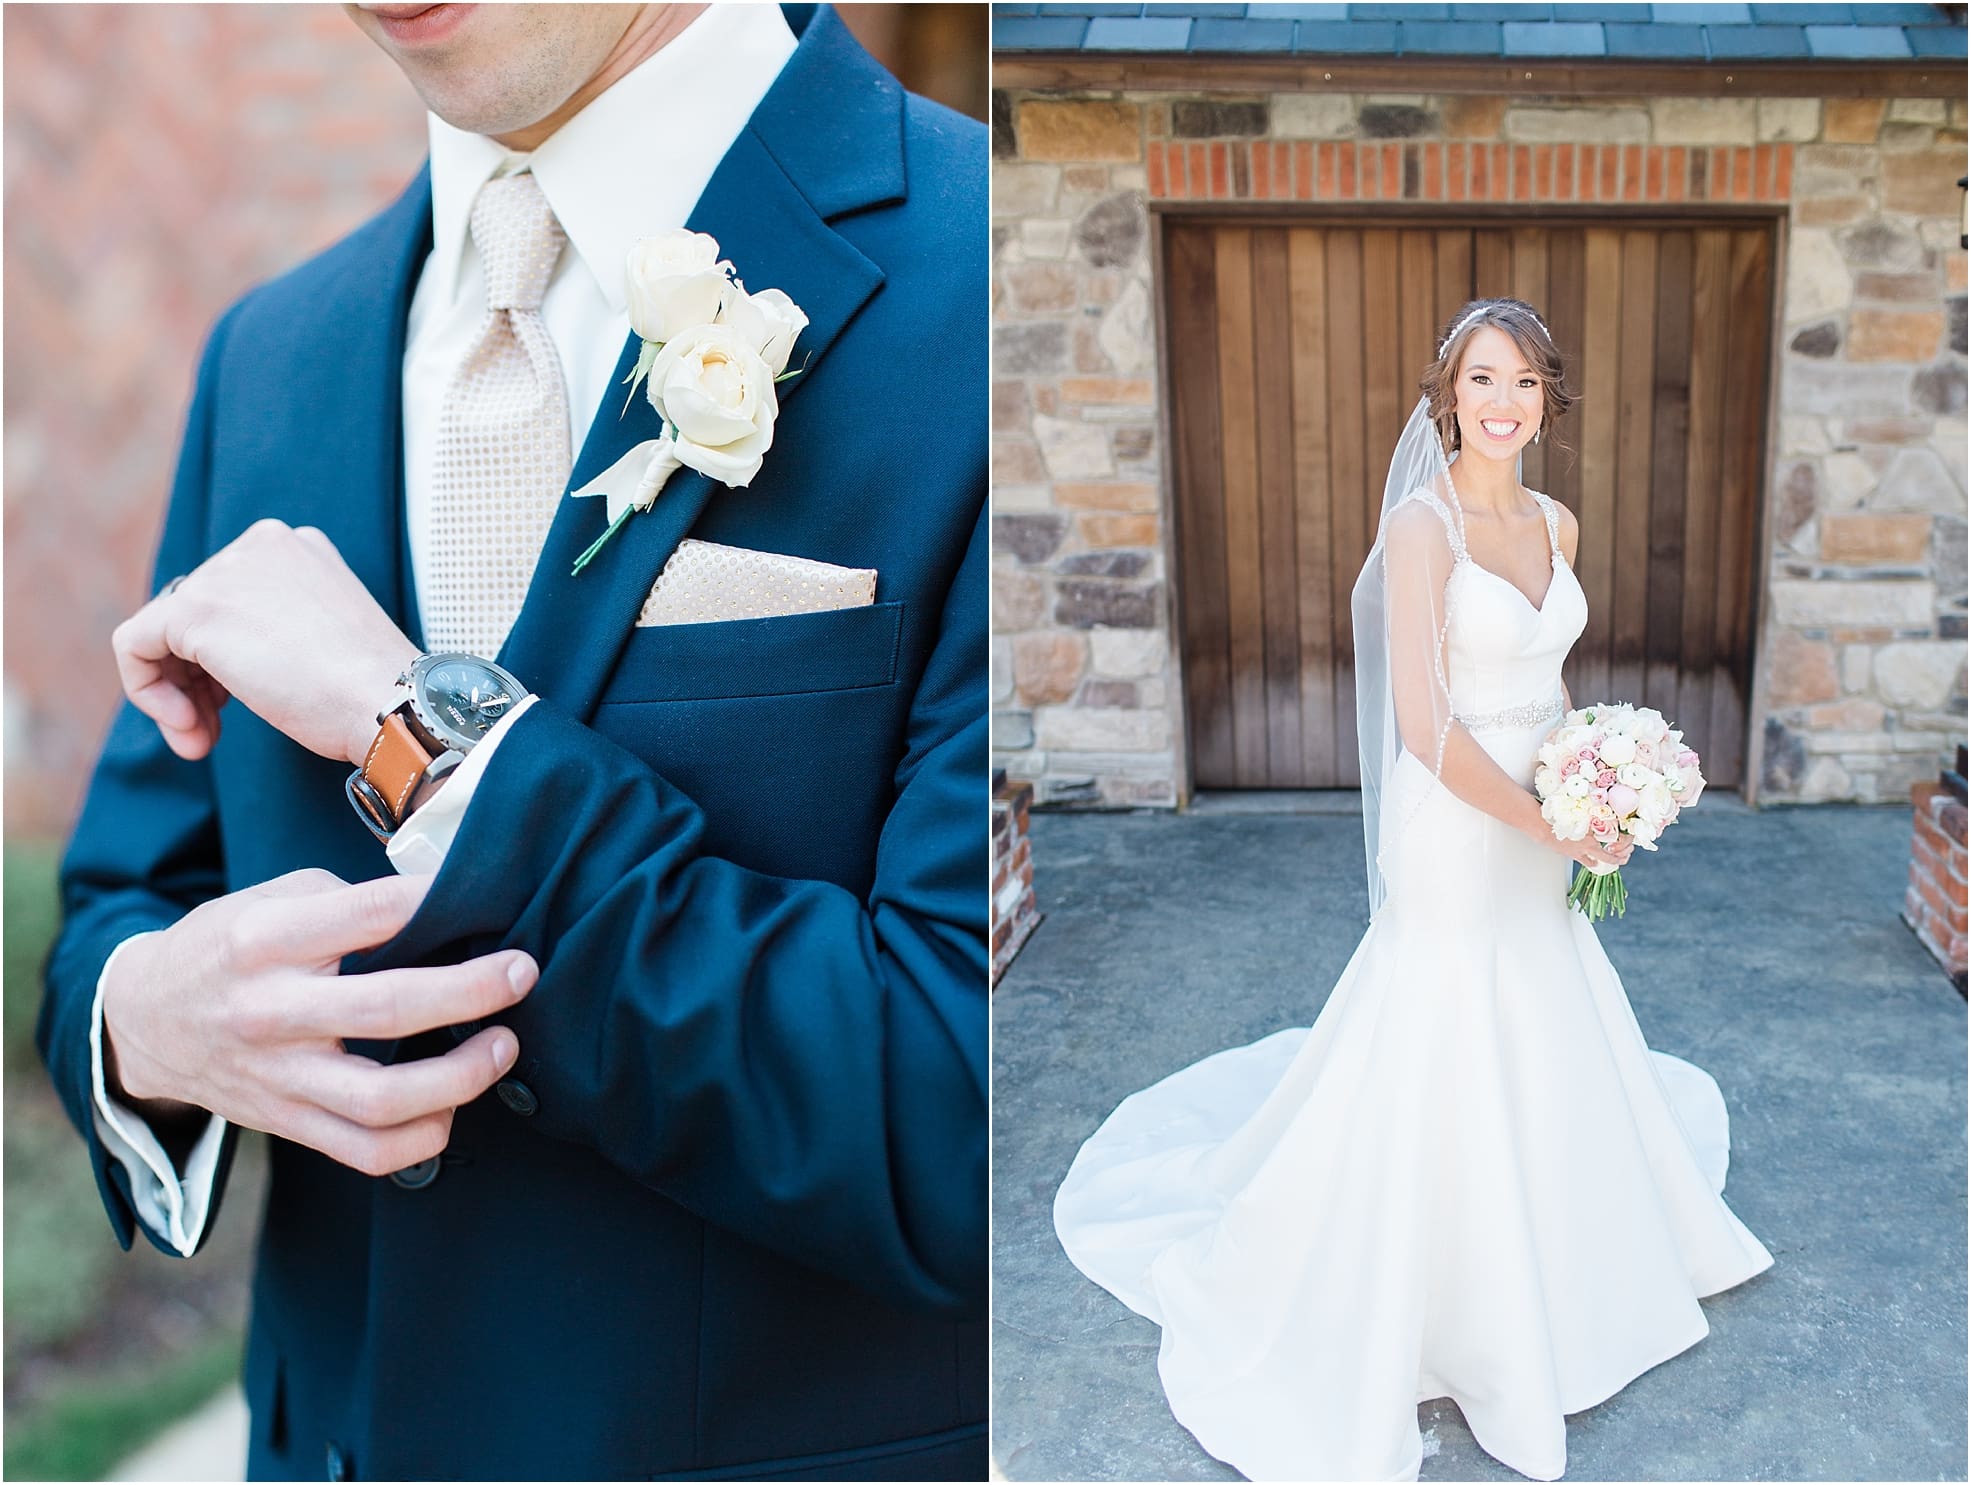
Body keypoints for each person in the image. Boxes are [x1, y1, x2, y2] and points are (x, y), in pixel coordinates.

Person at [37, 5, 987, 1479]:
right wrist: (145, 1026)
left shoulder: (989, 278)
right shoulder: (273, 357)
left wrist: (412, 726)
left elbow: (962, 1106)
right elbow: (122, 903)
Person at [1052, 298, 1773, 1482]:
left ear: (1550, 401)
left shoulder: (1559, 522)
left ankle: (1566, 1268)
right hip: (1461, 825)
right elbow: (1427, 729)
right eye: (1484, 380)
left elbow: (1548, 679)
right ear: (1448, 394)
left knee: (1546, 1012)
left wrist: (1602, 783)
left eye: (1528, 383)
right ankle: (1458, 1309)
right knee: (1450, 1022)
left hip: (1546, 814)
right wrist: (1549, 815)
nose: (1505, 403)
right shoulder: (1421, 528)